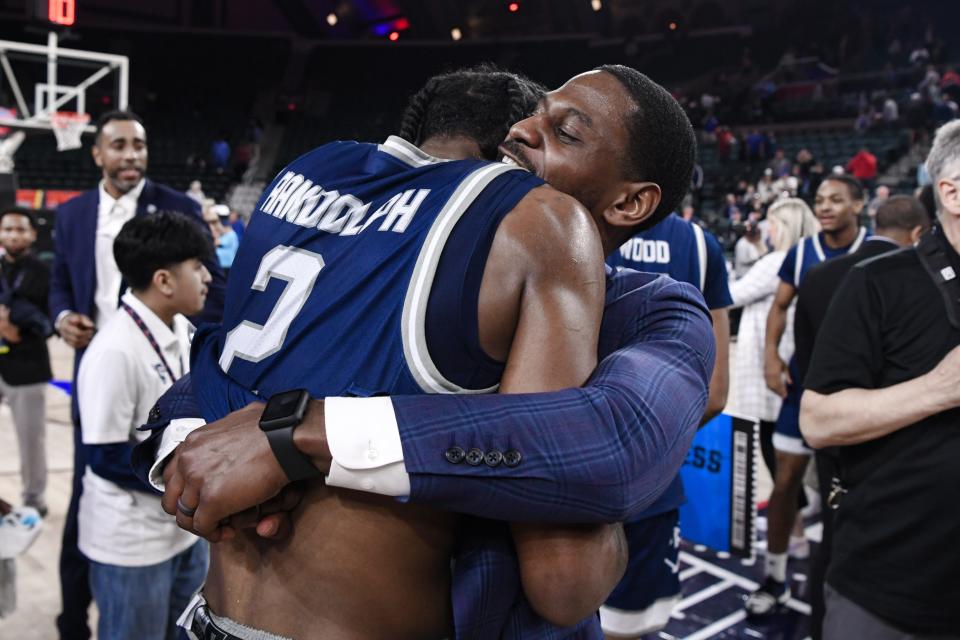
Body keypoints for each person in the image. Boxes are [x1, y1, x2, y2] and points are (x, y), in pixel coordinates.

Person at [146, 66, 710, 638]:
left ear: (632, 203)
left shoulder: (660, 311)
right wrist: (195, 455)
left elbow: (601, 459)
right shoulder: (445, 254)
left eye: (565, 132)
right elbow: (211, 367)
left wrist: (300, 435)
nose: (520, 131)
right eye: (533, 114)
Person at [48, 109, 225, 640]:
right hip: (109, 361)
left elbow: (210, 293)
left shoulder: (177, 210)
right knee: (96, 490)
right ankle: (74, 615)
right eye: (119, 145)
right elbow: (60, 280)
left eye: (139, 145)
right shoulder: (74, 213)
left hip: (164, 346)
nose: (131, 155)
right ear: (98, 154)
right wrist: (63, 317)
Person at [800, 120, 960, 639]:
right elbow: (818, 421)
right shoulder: (877, 283)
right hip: (891, 595)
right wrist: (938, 388)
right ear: (952, 191)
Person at [793, 195, 929, 638]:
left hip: (830, 439)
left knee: (832, 542)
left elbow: (804, 362)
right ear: (918, 235)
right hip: (887, 446)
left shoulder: (818, 276)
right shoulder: (911, 286)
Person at [77, 212, 210, 640]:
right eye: (197, 266)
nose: (207, 277)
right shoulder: (114, 350)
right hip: (131, 543)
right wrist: (188, 485)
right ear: (164, 281)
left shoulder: (183, 330)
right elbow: (104, 456)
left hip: (182, 532)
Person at [603, 209, 730, 636]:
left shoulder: (699, 245)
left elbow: (716, 391)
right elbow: (714, 392)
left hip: (576, 480)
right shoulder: (699, 243)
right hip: (637, 483)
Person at [747, 174, 869, 616]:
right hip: (804, 387)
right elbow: (778, 307)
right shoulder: (801, 254)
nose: (826, 206)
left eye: (837, 199)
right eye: (820, 200)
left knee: (857, 491)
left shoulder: (878, 252)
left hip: (859, 393)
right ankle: (776, 578)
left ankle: (854, 584)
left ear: (859, 203)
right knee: (784, 485)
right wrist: (770, 358)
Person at [728, 199, 817, 486]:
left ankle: (793, 514)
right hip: (793, 352)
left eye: (773, 225)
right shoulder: (802, 257)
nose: (769, 230)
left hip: (766, 359)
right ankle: (801, 509)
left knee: (770, 437)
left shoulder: (776, 262)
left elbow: (733, 295)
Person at [0, 208, 52, 517]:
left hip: (28, 365)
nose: (12, 235)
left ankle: (35, 498)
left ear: (32, 234)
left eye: (20, 230)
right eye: (6, 229)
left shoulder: (45, 272)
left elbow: (49, 322)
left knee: (31, 439)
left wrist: (14, 332)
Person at [201, 204, 238, 273]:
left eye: (214, 222)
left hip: (226, 266)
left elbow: (216, 242)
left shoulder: (231, 234)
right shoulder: (228, 233)